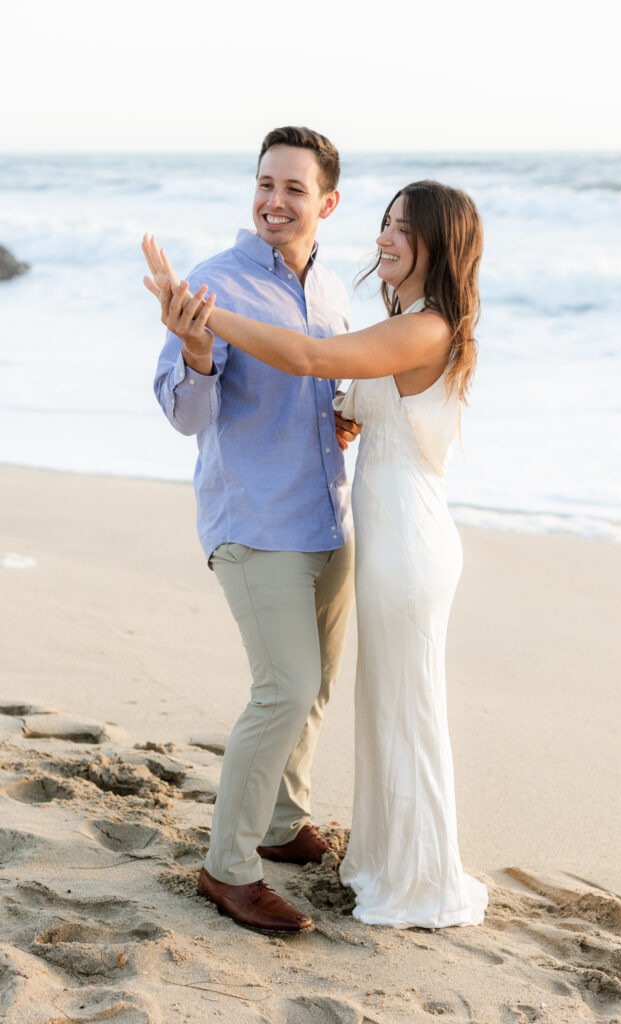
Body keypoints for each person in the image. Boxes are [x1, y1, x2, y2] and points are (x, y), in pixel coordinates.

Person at [144, 178, 489, 929]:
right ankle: (369, 854)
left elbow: (307, 357)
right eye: (385, 222)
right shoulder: (405, 321)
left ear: (441, 243)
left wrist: (205, 311)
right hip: (372, 532)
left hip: (405, 545)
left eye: (404, 228)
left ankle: (416, 872)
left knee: (402, 705)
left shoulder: (425, 326)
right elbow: (365, 400)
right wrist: (351, 421)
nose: (385, 238)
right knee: (379, 700)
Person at [151, 126, 358, 936]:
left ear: (327, 203)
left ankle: (280, 822)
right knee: (284, 689)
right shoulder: (211, 283)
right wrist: (197, 351)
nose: (274, 201)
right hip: (255, 518)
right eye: (265, 184)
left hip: (327, 516)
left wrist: (343, 418)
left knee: (317, 688)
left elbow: (331, 390)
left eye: (294, 189)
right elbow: (182, 413)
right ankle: (226, 867)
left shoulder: (335, 290)